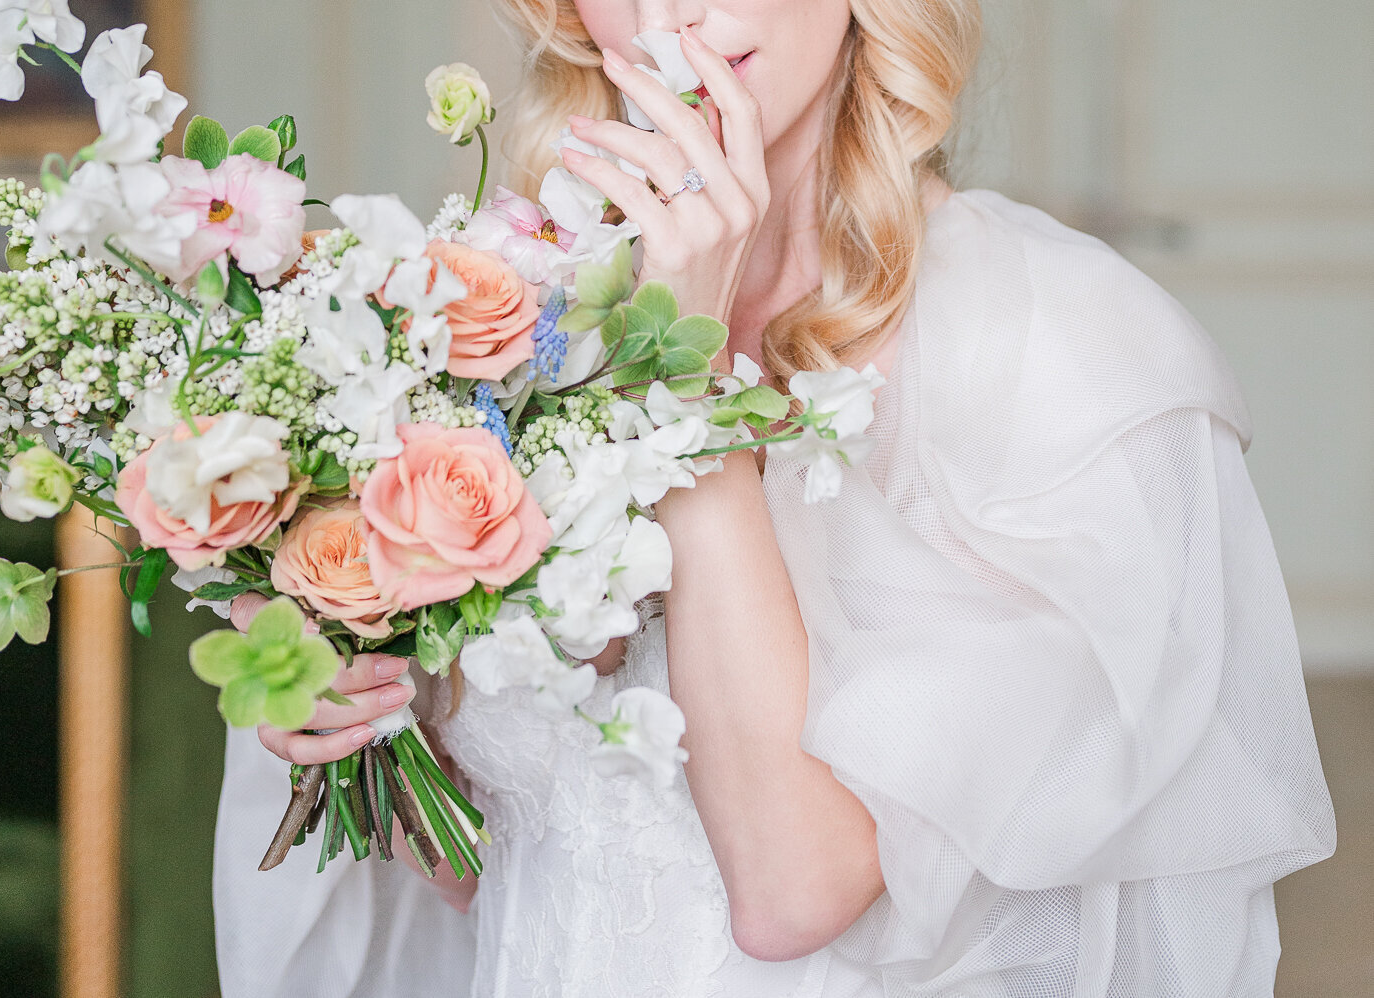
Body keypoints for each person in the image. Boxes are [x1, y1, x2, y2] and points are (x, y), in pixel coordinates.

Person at [214, 1, 1336, 994]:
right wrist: (353, 719)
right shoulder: (512, 323)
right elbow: (491, 868)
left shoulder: (1055, 352)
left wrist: (682, 385)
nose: (666, 17)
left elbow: (792, 895)